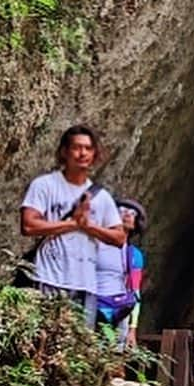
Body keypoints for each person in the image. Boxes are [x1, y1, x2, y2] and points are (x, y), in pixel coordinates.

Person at [21, 124, 125, 328]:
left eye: (88, 148)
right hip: (49, 277)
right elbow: (29, 226)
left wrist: (88, 227)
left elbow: (119, 237)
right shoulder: (45, 185)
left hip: (85, 283)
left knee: (78, 348)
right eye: (77, 148)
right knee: (44, 339)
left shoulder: (101, 197)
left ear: (95, 154)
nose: (82, 153)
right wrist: (72, 224)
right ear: (64, 152)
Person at [95, 199, 147, 350]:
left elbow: (135, 291)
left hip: (119, 311)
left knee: (114, 361)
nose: (127, 215)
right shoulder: (94, 244)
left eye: (132, 214)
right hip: (92, 306)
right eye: (122, 211)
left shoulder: (133, 255)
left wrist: (132, 328)